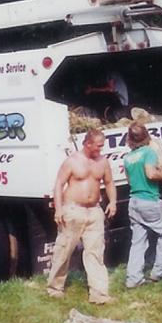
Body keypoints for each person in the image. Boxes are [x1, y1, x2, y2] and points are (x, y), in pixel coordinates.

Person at [46, 128, 117, 303]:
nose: (100, 149)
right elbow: (59, 184)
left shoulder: (103, 162)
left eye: (102, 146)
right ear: (87, 143)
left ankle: (99, 294)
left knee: (95, 252)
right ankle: (54, 287)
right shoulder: (71, 161)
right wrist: (59, 208)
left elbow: (109, 182)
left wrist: (113, 202)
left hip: (94, 211)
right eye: (98, 146)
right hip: (73, 209)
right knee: (64, 249)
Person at [123, 121, 162, 288]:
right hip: (149, 199)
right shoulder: (149, 152)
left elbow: (129, 180)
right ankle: (160, 272)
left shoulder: (128, 158)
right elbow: (151, 174)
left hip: (134, 202)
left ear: (130, 139)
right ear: (146, 136)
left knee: (138, 241)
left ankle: (134, 279)